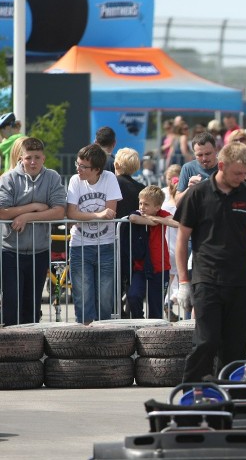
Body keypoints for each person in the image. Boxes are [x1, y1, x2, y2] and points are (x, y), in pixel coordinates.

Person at [174, 142, 246, 381]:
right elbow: (181, 240)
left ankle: (230, 396)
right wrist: (184, 282)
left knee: (235, 348)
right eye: (237, 173)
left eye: (245, 173)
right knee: (206, 341)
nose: (242, 178)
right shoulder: (198, 194)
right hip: (206, 279)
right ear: (221, 166)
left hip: (240, 281)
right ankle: (192, 391)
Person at [0, 137, 66, 325]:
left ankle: (31, 350)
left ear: (44, 158)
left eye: (37, 157)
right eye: (28, 157)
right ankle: (10, 349)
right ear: (21, 158)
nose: (33, 162)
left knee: (32, 306)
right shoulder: (8, 178)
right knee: (11, 303)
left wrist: (27, 217)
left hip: (40, 251)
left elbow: (59, 211)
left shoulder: (52, 177)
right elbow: (2, 212)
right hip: (10, 251)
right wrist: (35, 206)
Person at [66, 144, 122, 324]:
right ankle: (84, 339)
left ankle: (103, 338)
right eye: (78, 164)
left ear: (97, 169)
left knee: (105, 297)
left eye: (83, 166)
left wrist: (87, 216)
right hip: (80, 245)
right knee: (82, 295)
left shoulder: (110, 178)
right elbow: (71, 213)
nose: (78, 169)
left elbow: (111, 212)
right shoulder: (75, 180)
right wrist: (97, 214)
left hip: (106, 245)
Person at [126, 185, 179, 319]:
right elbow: (133, 218)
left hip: (160, 267)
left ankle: (154, 333)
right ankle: (140, 322)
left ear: (157, 207)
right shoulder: (138, 213)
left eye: (146, 204)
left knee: (156, 307)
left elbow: (176, 222)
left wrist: (156, 219)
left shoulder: (162, 214)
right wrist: (152, 222)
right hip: (141, 267)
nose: (142, 207)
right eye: (140, 203)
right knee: (133, 296)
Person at [114, 148, 146, 317]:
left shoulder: (112, 184)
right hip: (135, 242)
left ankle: (118, 315)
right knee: (132, 283)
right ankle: (134, 315)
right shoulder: (141, 188)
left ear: (117, 164)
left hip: (114, 240)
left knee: (114, 284)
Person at [175, 132, 219, 205]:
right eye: (200, 155)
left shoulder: (225, 167)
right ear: (194, 154)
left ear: (216, 150)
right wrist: (190, 189)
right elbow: (177, 203)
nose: (204, 158)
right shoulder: (188, 168)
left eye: (208, 154)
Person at [161, 164, 182, 320]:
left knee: (174, 277)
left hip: (172, 243)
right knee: (176, 276)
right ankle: (168, 301)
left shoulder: (167, 204)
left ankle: (168, 301)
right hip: (173, 243)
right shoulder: (163, 194)